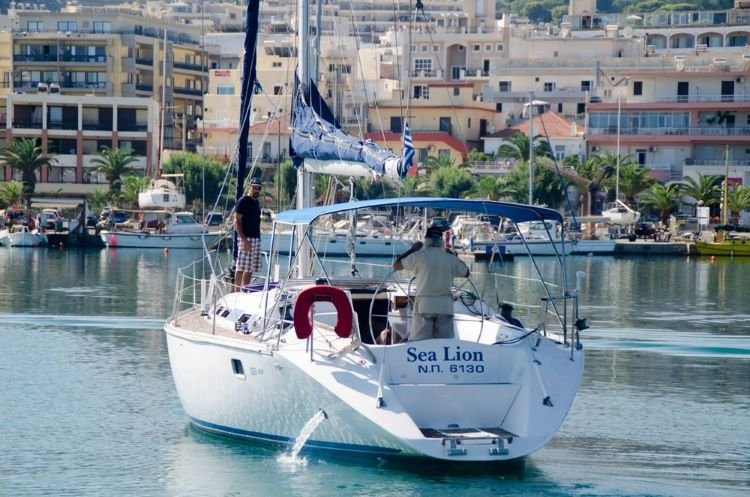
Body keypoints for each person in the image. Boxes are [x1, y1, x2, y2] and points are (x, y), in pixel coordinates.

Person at [392, 225, 470, 341]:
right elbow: (466, 272)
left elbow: (396, 265)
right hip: (445, 307)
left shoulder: (419, 256)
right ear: (441, 240)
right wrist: (453, 255)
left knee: (420, 345)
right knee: (445, 345)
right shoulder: (450, 258)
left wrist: (412, 250)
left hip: (425, 306)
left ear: (426, 240)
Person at [234, 177, 263, 291]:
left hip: (256, 238)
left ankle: (245, 290)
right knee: (241, 266)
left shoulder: (256, 203)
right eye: (254, 187)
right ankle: (236, 292)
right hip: (245, 238)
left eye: (258, 188)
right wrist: (244, 240)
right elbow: (236, 221)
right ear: (249, 187)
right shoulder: (243, 201)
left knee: (249, 268)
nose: (256, 190)